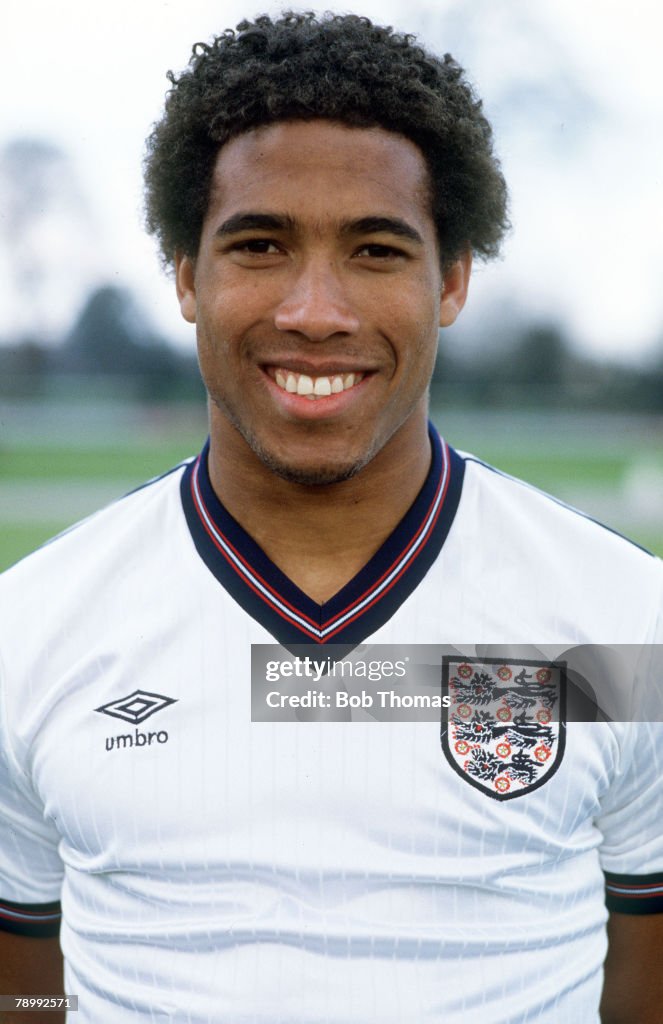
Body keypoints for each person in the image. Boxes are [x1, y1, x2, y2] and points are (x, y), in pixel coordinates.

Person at [1, 11, 662, 1023]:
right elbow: (28, 992)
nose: (316, 310)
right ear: (186, 274)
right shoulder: (27, 630)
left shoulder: (624, 622)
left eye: (375, 249)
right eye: (260, 244)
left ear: (451, 280)